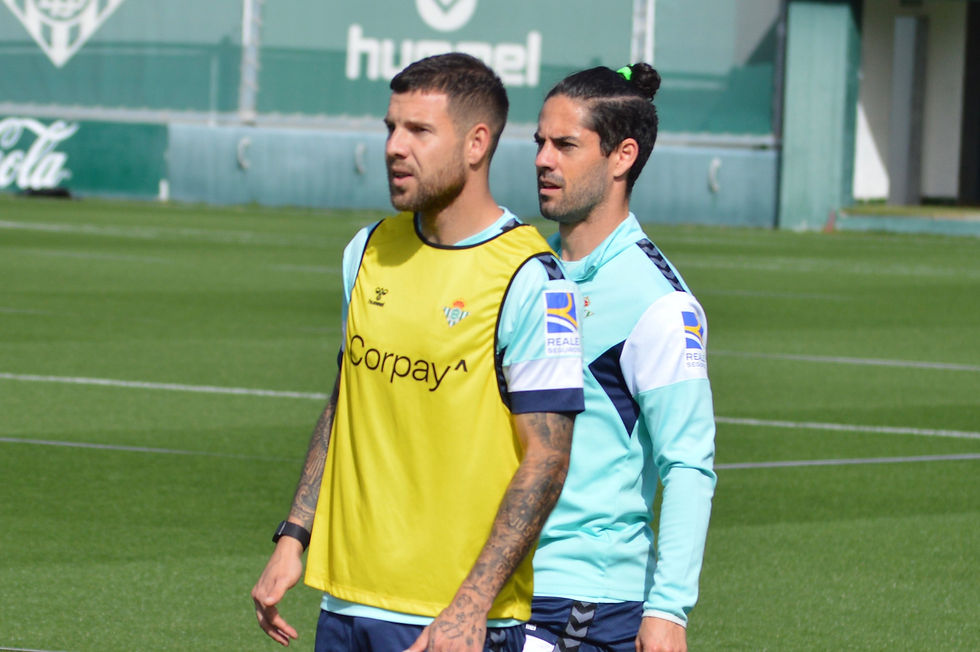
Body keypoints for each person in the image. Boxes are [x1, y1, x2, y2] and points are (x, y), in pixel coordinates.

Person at [251, 52, 585, 652]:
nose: (394, 147)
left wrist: (471, 605)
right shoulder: (367, 250)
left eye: (419, 131)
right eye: (390, 128)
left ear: (476, 142)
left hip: (450, 623)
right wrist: (294, 535)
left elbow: (547, 459)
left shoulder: (531, 278)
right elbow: (346, 396)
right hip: (345, 603)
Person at [523, 64, 717, 652]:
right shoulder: (529, 269)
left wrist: (668, 609)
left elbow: (688, 463)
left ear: (621, 156)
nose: (542, 160)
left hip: (584, 601)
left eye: (565, 145)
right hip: (502, 577)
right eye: (539, 142)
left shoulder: (657, 302)